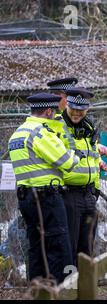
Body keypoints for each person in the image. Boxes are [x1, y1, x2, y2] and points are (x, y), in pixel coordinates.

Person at [8, 93, 82, 284]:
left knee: (36, 247)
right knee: (59, 246)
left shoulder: (18, 133)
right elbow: (66, 162)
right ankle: (63, 291)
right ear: (49, 111)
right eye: (54, 112)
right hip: (46, 198)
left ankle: (37, 290)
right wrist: (77, 155)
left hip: (26, 199)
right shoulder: (41, 132)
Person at [58, 87, 102, 265]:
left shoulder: (89, 128)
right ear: (67, 104)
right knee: (70, 245)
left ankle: (85, 288)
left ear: (87, 110)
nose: (77, 113)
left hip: (88, 195)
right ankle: (70, 287)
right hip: (68, 194)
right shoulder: (58, 127)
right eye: (73, 109)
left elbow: (94, 158)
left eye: (81, 110)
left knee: (87, 246)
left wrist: (96, 189)